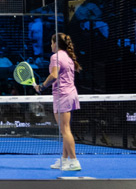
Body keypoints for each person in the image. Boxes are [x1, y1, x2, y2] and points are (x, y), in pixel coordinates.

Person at [34, 33, 82, 171]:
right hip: (71, 94)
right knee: (65, 129)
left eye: (51, 42)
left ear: (56, 43)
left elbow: (54, 76)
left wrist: (41, 87)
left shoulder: (55, 57)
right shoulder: (68, 57)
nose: (50, 45)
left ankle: (74, 161)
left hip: (63, 96)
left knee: (65, 130)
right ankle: (65, 160)